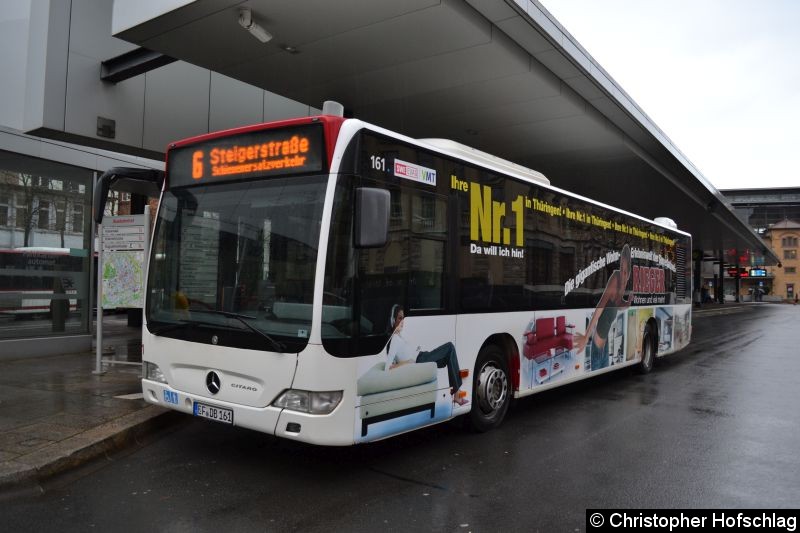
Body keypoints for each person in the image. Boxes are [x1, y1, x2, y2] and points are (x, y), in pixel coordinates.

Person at [387, 304, 468, 406]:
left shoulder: (399, 336)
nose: (402, 321)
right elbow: (388, 368)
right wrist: (407, 362)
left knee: (448, 357)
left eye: (403, 318)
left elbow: (401, 356)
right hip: (420, 360)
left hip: (422, 356)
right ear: (393, 320)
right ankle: (457, 394)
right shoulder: (394, 340)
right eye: (399, 318)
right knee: (450, 347)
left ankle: (456, 392)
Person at [573, 244, 633, 371]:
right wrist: (585, 336)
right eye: (621, 268)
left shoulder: (623, 285)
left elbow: (616, 305)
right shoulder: (615, 279)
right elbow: (600, 308)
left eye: (625, 271)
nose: (623, 274)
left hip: (605, 347)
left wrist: (626, 304)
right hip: (597, 347)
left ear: (628, 274)